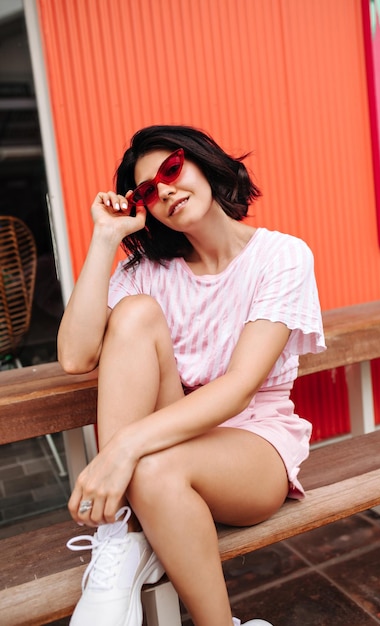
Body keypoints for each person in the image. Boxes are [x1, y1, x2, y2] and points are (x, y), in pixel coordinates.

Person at [58, 125, 325, 626]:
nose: (165, 191)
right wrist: (104, 238)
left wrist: (120, 448)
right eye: (147, 191)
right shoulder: (147, 272)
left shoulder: (281, 257)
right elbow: (75, 356)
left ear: (204, 162)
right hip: (169, 432)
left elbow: (240, 385)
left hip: (252, 442)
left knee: (152, 467)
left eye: (173, 169)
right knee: (134, 313)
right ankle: (119, 536)